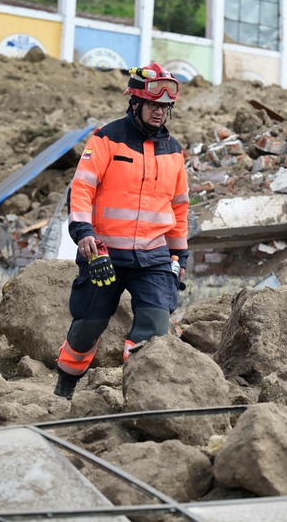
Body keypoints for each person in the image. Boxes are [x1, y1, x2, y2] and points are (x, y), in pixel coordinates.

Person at [53, 62, 189, 400]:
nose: (159, 112)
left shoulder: (174, 151)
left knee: (154, 330)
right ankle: (65, 387)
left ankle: (138, 398)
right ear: (135, 103)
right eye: (153, 105)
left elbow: (179, 208)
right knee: (87, 328)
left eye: (165, 107)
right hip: (104, 254)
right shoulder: (106, 139)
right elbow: (81, 188)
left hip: (153, 257)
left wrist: (179, 256)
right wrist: (83, 231)